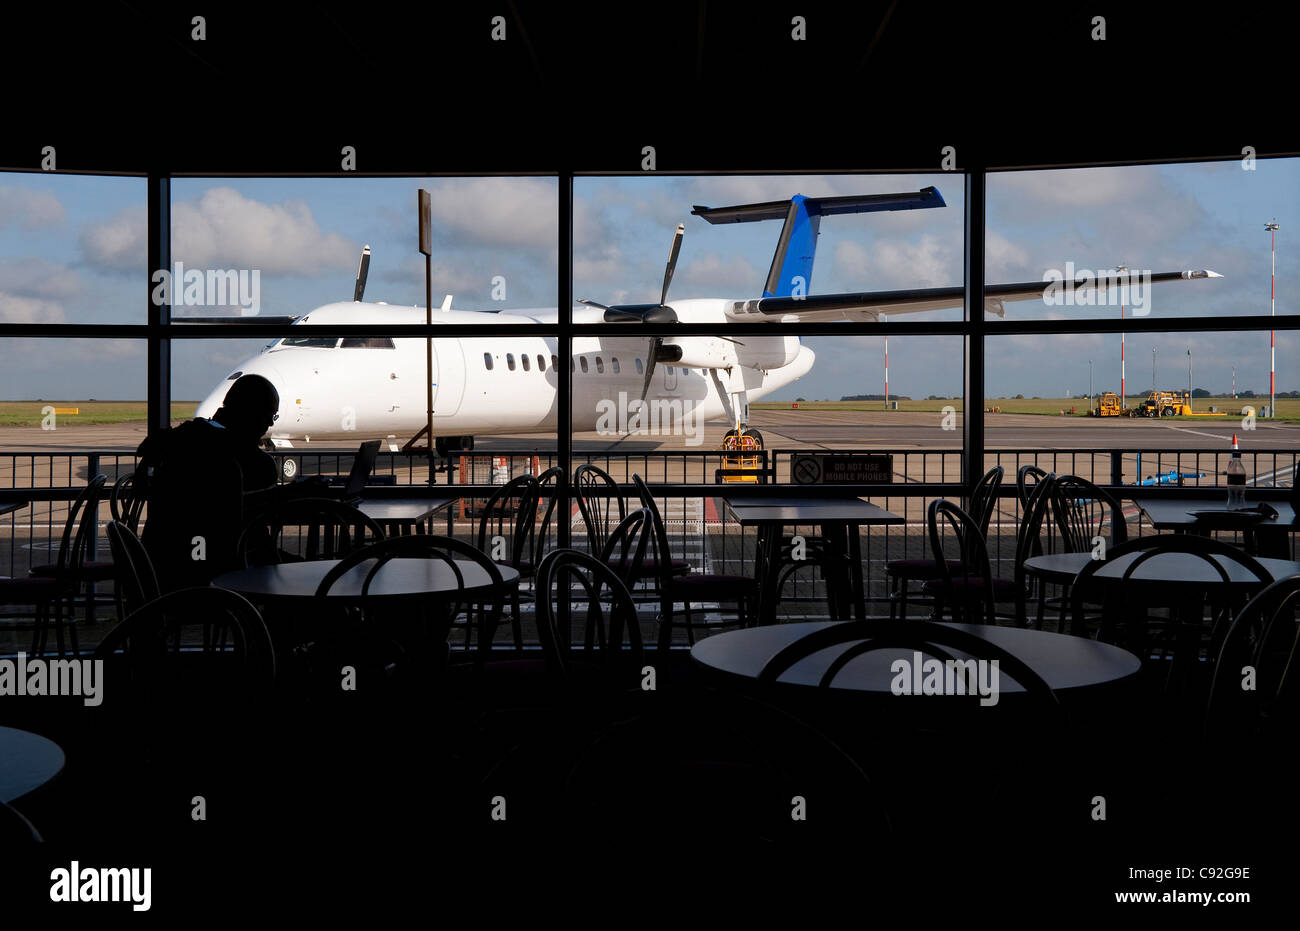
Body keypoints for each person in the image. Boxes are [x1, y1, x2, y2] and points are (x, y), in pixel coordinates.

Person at [136, 374, 326, 591]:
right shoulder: (253, 461)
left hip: (166, 567)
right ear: (253, 414)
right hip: (221, 571)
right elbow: (236, 514)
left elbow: (147, 450)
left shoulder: (187, 437)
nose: (267, 425)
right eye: (269, 416)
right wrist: (291, 495)